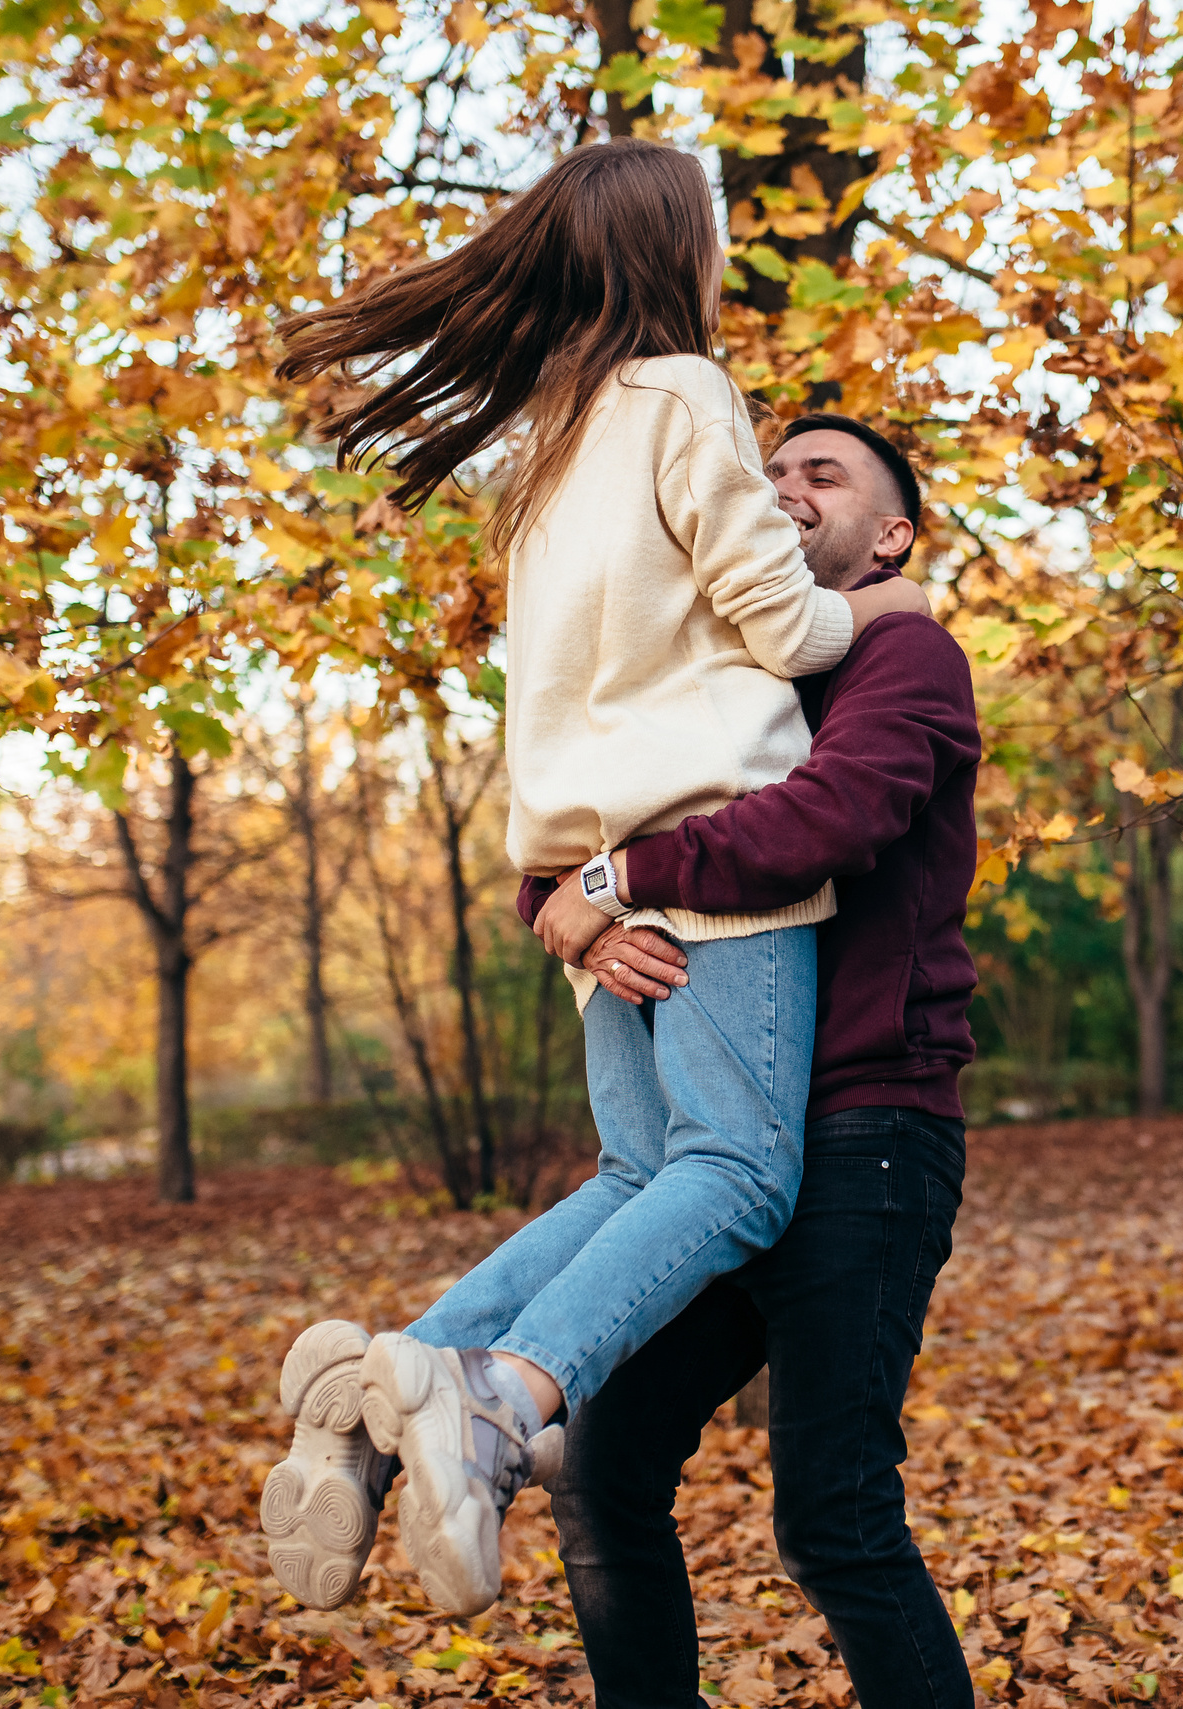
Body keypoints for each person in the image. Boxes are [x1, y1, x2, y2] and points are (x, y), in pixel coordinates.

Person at [257, 141, 928, 1620]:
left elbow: (563, 690)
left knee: (642, 1174)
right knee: (740, 1176)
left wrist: (571, 886)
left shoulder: (551, 444)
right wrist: (878, 605)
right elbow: (775, 619)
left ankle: (385, 1384)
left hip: (588, 874)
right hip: (701, 853)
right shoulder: (687, 392)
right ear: (674, 249)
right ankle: (496, 1400)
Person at [524, 414, 981, 1709]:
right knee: (603, 1470)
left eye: (820, 476)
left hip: (862, 1133)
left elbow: (831, 819)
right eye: (768, 471)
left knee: (833, 1513)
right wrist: (570, 905)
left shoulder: (905, 653)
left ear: (890, 534)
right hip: (722, 1140)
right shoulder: (728, 668)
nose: (782, 488)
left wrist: (625, 875)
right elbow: (585, 822)